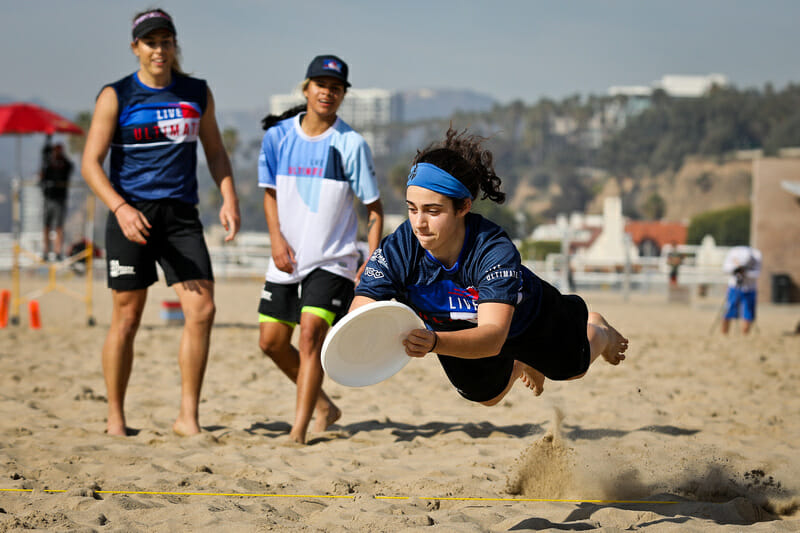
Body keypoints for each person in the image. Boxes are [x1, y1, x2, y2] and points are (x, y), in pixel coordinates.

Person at [351, 128, 628, 405]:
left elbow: (493, 335)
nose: (419, 223)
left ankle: (600, 330)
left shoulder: (493, 248)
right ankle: (518, 362)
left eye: (433, 211)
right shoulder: (399, 248)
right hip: (453, 326)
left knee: (572, 370)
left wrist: (434, 343)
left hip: (527, 320)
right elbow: (359, 313)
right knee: (487, 397)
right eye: (412, 209)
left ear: (463, 208)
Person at [81, 8, 241, 436]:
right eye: (150, 42)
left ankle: (187, 417)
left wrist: (228, 197)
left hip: (180, 216)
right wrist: (120, 208)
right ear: (136, 47)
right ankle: (116, 418)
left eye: (166, 42)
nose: (159, 50)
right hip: (131, 214)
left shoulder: (195, 91)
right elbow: (90, 163)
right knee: (127, 318)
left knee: (202, 310)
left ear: (174, 45)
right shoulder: (116, 95)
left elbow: (215, 152)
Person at [257, 55, 384, 444]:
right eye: (321, 85)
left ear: (343, 95)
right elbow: (270, 194)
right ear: (306, 88)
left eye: (336, 88)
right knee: (271, 342)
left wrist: (372, 262)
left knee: (310, 335)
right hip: (286, 258)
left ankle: (299, 430)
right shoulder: (277, 136)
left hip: (334, 259)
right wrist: (276, 239)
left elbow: (374, 209)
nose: (328, 92)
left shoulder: (350, 144)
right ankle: (325, 405)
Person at [40, 143, 73, 261]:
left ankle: (58, 251)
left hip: (60, 198)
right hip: (49, 197)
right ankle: (46, 251)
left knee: (59, 226)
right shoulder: (47, 164)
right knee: (46, 226)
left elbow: (69, 168)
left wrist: (60, 158)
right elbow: (42, 177)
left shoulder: (65, 164)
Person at [721, 245, 762, 335]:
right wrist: (735, 270)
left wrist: (745, 273)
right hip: (734, 287)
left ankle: (745, 334)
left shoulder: (756, 255)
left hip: (750, 288)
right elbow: (725, 268)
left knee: (748, 312)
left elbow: (757, 273)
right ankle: (724, 333)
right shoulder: (733, 253)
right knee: (728, 309)